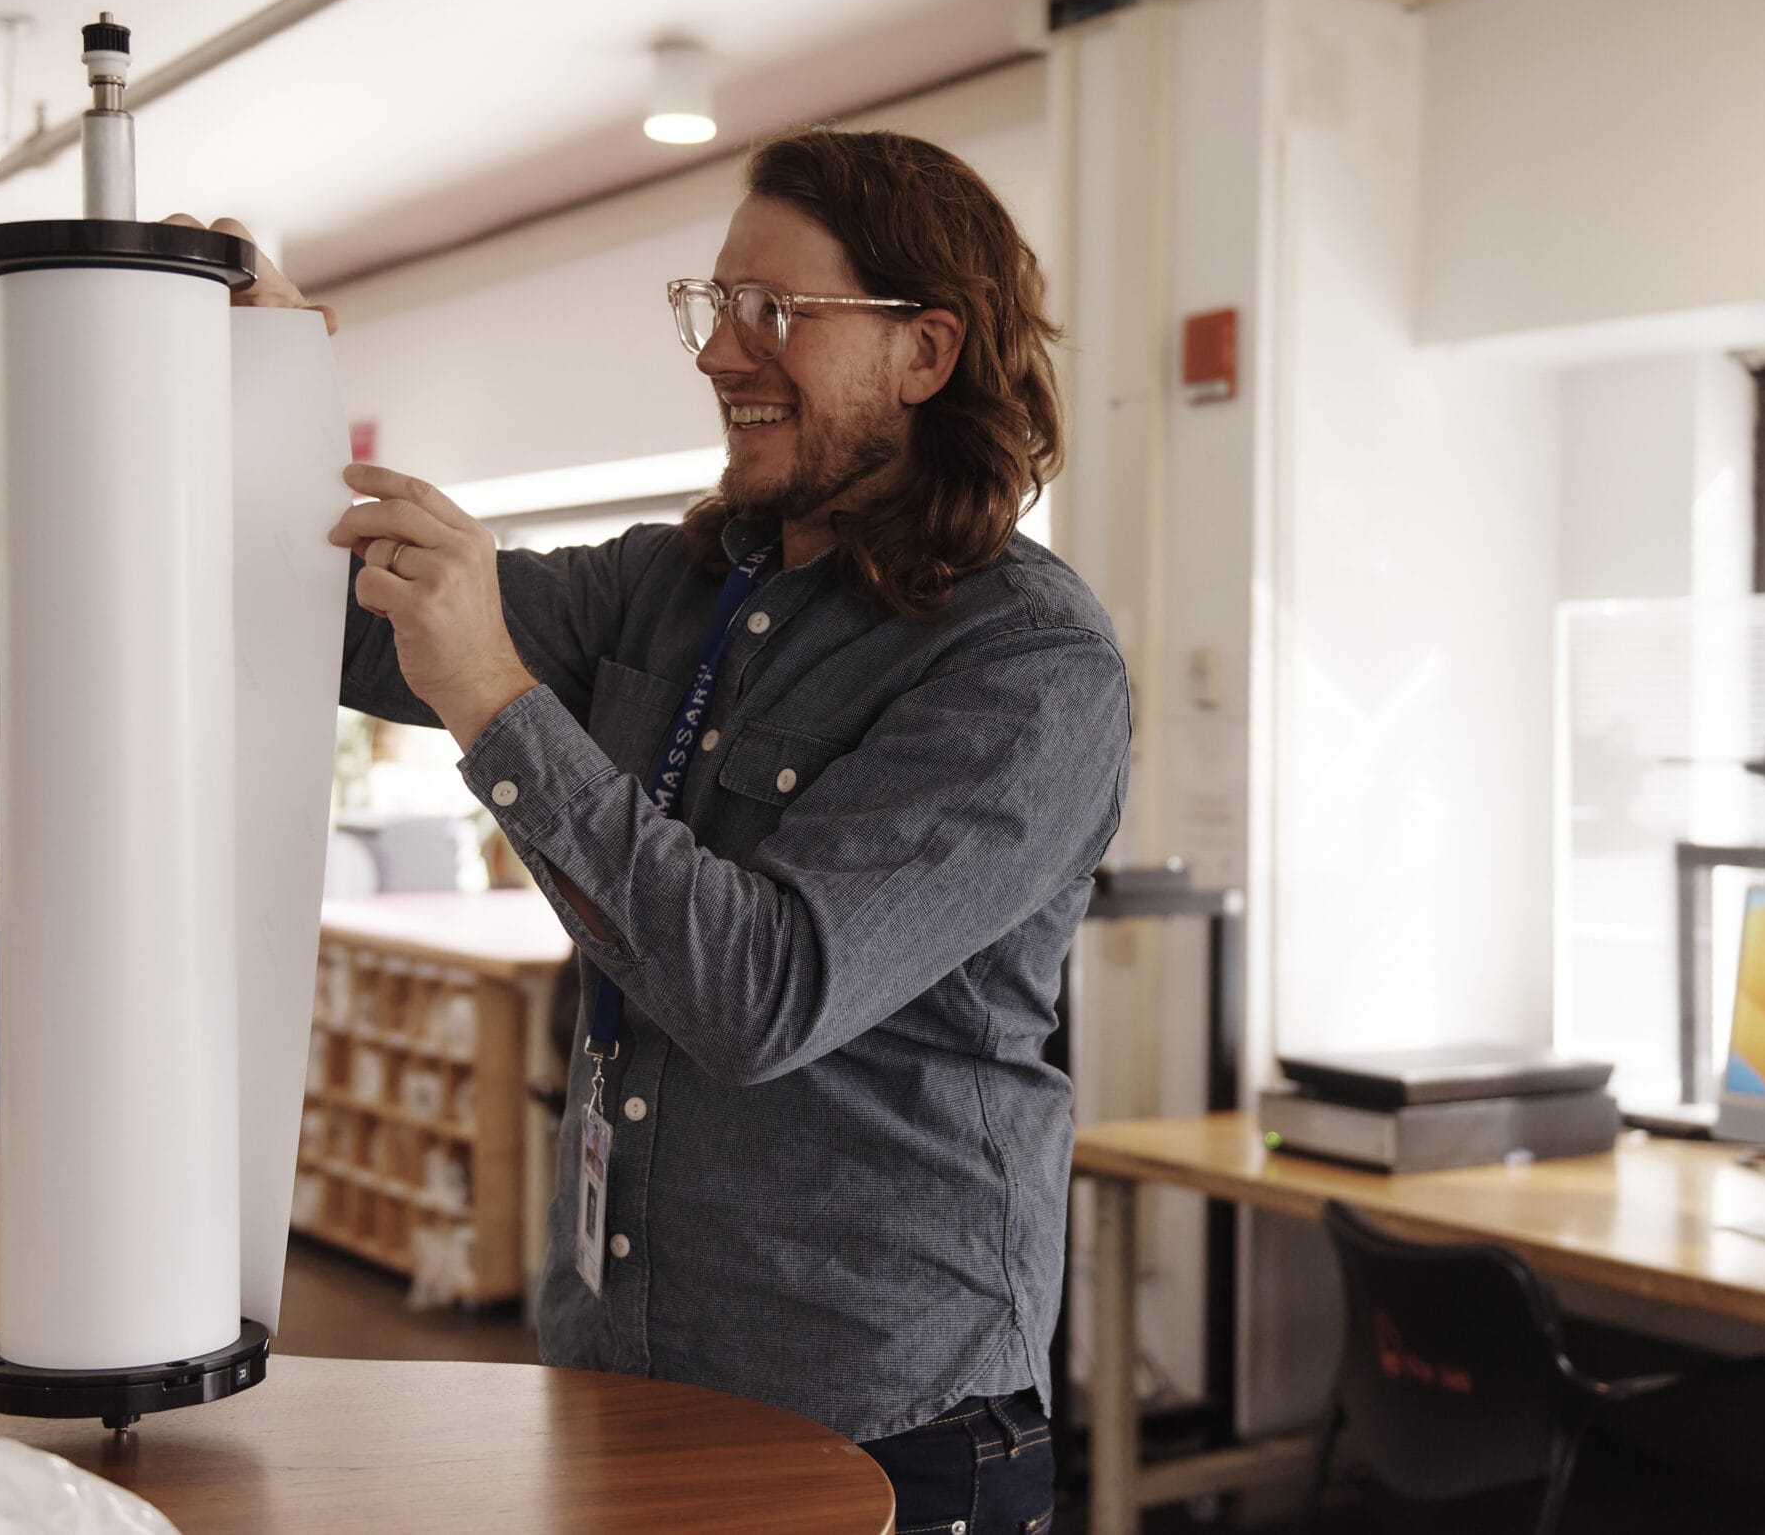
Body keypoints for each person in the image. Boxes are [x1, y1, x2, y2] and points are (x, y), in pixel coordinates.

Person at [227, 126, 1129, 1532]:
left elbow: (762, 994)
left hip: (879, 1421)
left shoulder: (1026, 666)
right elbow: (348, 632)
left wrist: (493, 692)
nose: (718, 354)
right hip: (613, 1373)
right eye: (713, 309)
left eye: (773, 313)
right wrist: (255, 390)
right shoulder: (672, 583)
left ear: (926, 350)